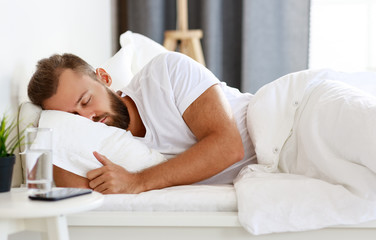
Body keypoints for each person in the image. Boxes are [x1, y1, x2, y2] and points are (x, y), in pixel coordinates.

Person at [27, 52, 257, 194]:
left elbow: (229, 146)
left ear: (104, 78)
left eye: (86, 101)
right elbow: (75, 194)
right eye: (74, 118)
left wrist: (138, 181)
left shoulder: (166, 72)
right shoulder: (108, 148)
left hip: (280, 116)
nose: (88, 119)